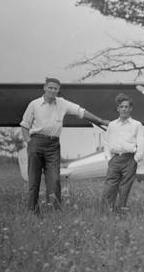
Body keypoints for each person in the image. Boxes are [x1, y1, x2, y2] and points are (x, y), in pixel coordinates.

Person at [20, 77, 108, 214]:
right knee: (34, 181)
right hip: (36, 143)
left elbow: (81, 111)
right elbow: (24, 126)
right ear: (44, 88)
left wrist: (100, 120)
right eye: (50, 87)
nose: (52, 90)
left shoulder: (62, 104)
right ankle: (33, 212)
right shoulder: (34, 104)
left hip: (53, 145)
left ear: (58, 90)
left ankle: (54, 212)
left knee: (54, 180)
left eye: (55, 88)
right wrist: (29, 143)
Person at [102, 93, 144, 213]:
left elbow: (142, 143)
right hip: (115, 159)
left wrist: (136, 159)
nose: (124, 109)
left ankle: (121, 210)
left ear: (130, 109)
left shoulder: (136, 125)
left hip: (129, 159)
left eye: (126, 107)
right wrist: (109, 158)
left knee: (125, 187)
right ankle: (108, 210)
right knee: (110, 186)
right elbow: (106, 142)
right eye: (121, 107)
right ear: (118, 109)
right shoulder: (112, 125)